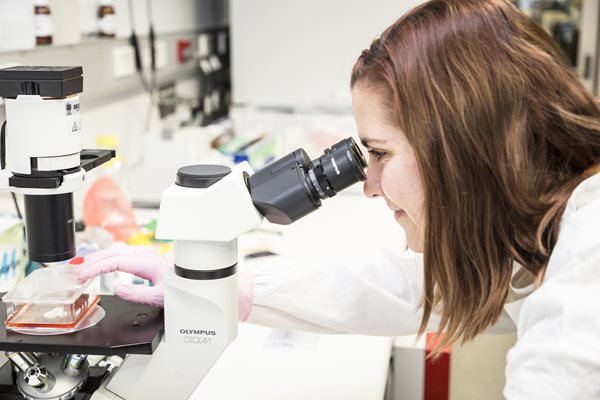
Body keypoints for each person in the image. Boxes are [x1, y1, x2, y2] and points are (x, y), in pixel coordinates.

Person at [77, 0, 600, 397]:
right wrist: (223, 288)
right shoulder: (540, 231)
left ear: (462, 144)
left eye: (380, 154)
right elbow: (407, 286)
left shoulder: (584, 281)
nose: (369, 185)